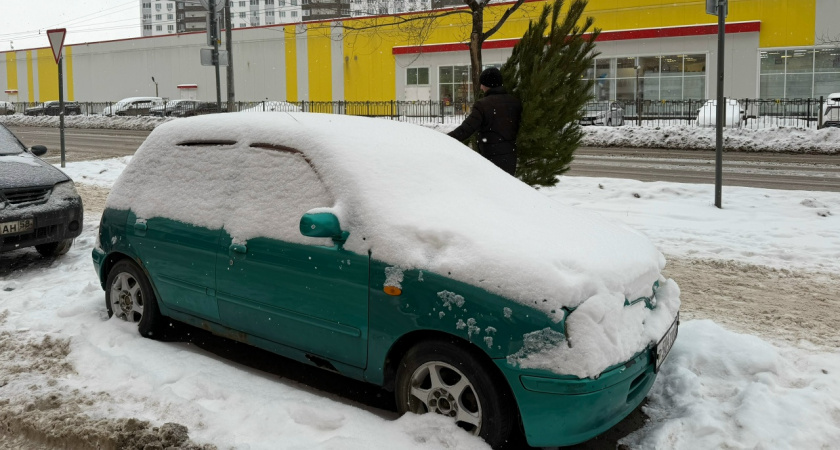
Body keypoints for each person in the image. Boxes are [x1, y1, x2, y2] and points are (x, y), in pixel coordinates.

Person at [447, 67, 522, 176]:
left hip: (491, 158)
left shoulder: (483, 105)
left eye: (482, 84)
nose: (481, 87)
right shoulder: (515, 102)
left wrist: (444, 139)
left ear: (487, 85)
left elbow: (466, 129)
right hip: (510, 158)